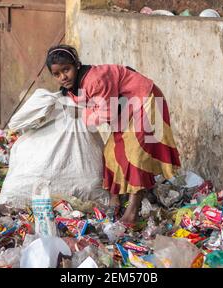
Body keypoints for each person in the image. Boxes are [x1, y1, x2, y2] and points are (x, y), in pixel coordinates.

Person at [45, 45, 182, 227]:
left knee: (135, 153)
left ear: (77, 65)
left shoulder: (95, 80)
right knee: (112, 152)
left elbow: (106, 113)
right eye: (57, 74)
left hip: (145, 98)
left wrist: (83, 116)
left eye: (66, 70)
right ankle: (114, 199)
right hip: (126, 109)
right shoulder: (73, 86)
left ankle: (133, 209)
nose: (63, 77)